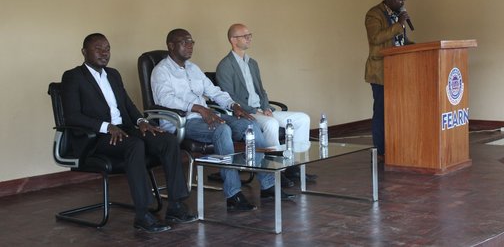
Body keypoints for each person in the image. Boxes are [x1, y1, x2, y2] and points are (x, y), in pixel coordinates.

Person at [61, 33, 196, 233]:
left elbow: (127, 104)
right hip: (96, 138)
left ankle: (176, 205)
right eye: (98, 49)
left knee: (167, 140)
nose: (104, 53)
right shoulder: (73, 77)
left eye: (107, 48)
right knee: (135, 145)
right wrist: (106, 126)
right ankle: (143, 214)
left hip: (125, 130)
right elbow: (72, 116)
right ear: (84, 52)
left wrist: (142, 121)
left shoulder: (113, 74)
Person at [151, 28, 295, 212]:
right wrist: (198, 107)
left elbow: (214, 92)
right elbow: (164, 99)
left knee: (251, 124)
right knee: (222, 130)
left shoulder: (193, 69)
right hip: (183, 122)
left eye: (191, 42)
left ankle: (267, 186)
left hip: (209, 116)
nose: (190, 46)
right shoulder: (161, 71)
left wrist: (233, 105)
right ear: (171, 46)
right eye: (184, 42)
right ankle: (233, 194)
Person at [216, 23, 315, 184]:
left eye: (250, 35)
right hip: (247, 112)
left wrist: (267, 107)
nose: (249, 38)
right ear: (233, 40)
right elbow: (230, 98)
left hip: (263, 110)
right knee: (271, 124)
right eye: (244, 36)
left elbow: (261, 91)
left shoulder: (252, 63)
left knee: (302, 119)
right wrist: (255, 110)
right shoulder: (225, 66)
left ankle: (292, 165)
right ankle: (276, 169)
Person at [364, 0, 414, 161]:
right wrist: (398, 24)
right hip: (380, 72)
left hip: (398, 70)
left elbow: (401, 40)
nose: (403, 2)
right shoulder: (374, 14)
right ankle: (380, 151)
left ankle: (396, 147)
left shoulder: (397, 15)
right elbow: (376, 38)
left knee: (397, 111)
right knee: (382, 112)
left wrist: (420, 47)